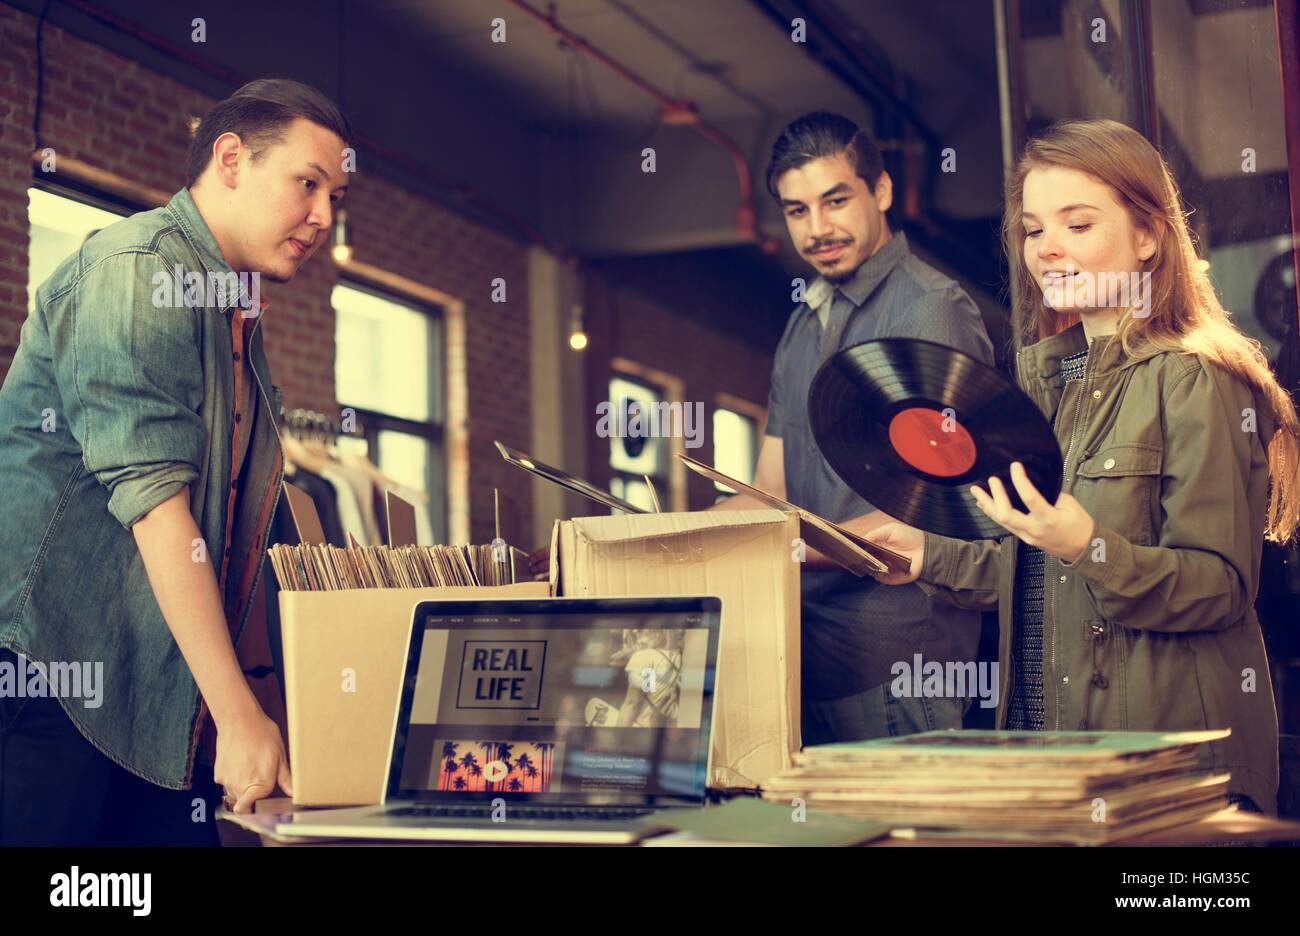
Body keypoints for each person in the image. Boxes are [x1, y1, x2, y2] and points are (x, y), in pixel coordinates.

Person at [864, 118, 1298, 814]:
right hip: (1054, 760)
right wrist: (926, 555)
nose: (1049, 249)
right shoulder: (1049, 382)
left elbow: (1219, 586)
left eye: (1078, 224)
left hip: (1170, 774)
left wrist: (1085, 544)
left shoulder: (1198, 378)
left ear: (1149, 236)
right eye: (1034, 230)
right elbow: (1040, 574)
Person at [0, 79, 352, 845]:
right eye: (308, 183)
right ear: (231, 158)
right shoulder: (137, 270)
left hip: (153, 688)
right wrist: (237, 713)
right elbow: (160, 507)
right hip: (55, 675)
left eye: (335, 196)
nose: (324, 216)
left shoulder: (229, 312)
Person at [714, 112, 995, 744]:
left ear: (883, 192)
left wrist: (767, 550)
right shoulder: (802, 323)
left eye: (835, 200)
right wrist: (665, 535)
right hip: (802, 653)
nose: (818, 229)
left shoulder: (931, 309)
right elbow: (768, 491)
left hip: (899, 662)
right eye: (796, 211)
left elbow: (943, 510)